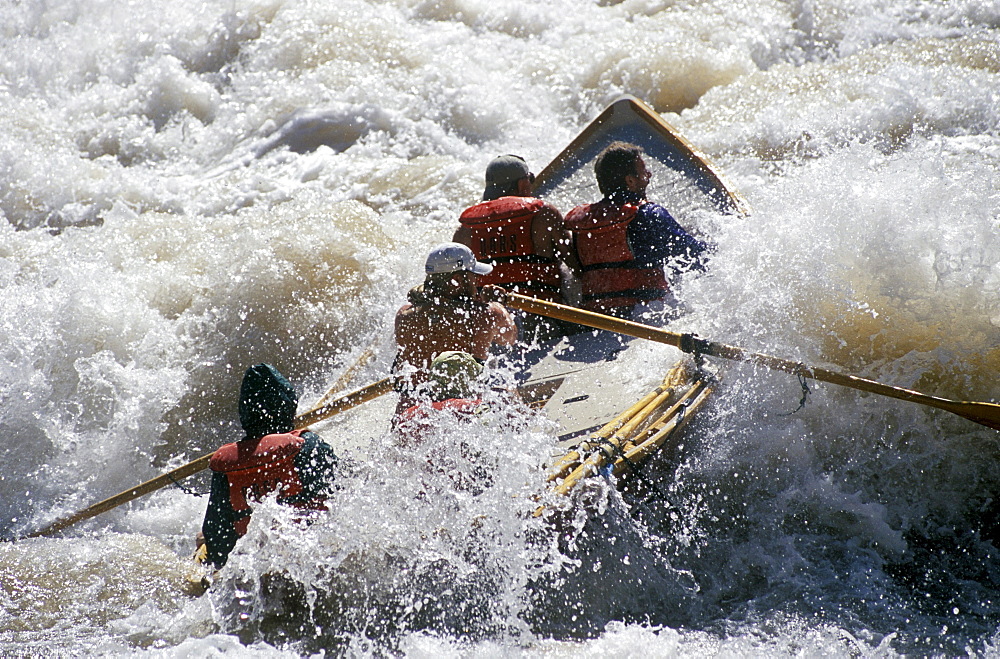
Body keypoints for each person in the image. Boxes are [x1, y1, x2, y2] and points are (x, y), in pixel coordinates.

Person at [199, 363, 340, 568]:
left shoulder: (226, 467)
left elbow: (217, 538)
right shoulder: (307, 446)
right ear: (288, 406)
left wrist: (206, 546)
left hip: (252, 562)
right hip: (311, 555)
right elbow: (345, 490)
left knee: (201, 537)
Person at [564, 141, 710, 320]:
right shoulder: (649, 214)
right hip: (645, 317)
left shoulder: (584, 224)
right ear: (630, 181)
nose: (649, 174)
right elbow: (699, 258)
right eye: (643, 171)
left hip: (598, 319)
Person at [453, 154, 579, 341]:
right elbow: (577, 267)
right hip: (541, 320)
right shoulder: (543, 214)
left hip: (490, 326)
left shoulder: (464, 230)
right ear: (522, 184)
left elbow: (456, 288)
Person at [393, 242, 517, 414]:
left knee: (407, 399)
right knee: (508, 392)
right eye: (473, 276)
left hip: (414, 409)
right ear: (456, 280)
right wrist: (498, 304)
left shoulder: (404, 315)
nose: (477, 281)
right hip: (464, 407)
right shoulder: (487, 313)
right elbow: (509, 338)